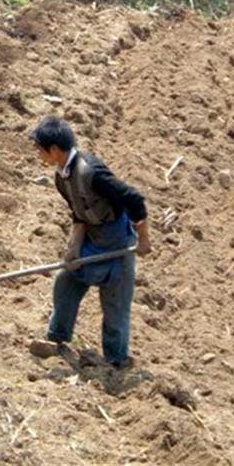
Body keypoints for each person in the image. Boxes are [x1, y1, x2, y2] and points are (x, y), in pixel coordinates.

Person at [29, 116, 152, 369]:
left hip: (118, 243)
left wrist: (144, 238)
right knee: (67, 280)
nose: (38, 154)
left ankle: (116, 363)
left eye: (40, 149)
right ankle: (57, 338)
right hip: (93, 239)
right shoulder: (61, 177)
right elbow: (79, 213)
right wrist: (74, 246)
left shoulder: (91, 172)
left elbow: (134, 199)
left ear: (54, 150)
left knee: (115, 306)